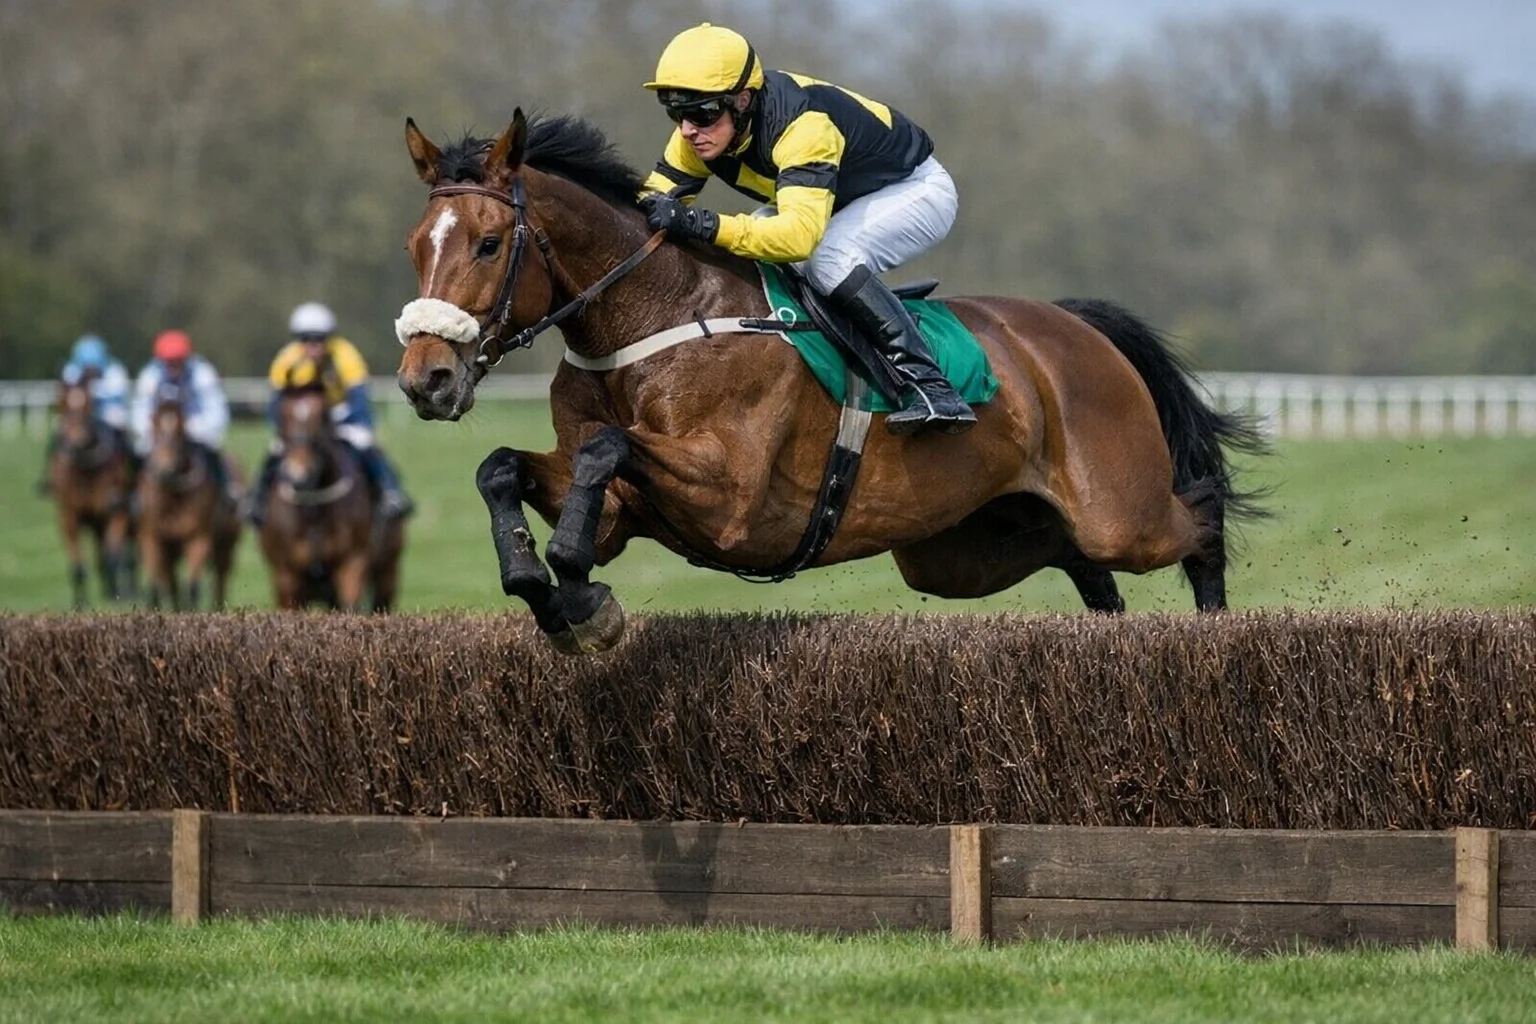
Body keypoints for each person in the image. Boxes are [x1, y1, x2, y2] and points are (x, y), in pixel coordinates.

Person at [638, 22, 976, 436]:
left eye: (702, 113)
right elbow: (649, 206)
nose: (689, 129)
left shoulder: (803, 127)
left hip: (914, 190)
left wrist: (703, 223)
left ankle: (931, 386)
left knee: (825, 255)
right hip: (841, 198)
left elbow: (799, 238)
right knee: (763, 233)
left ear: (743, 101)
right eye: (677, 113)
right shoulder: (700, 136)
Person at [246, 302, 414, 526]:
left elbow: (359, 397)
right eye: (306, 339)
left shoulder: (345, 354)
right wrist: (284, 430)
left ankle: (391, 492)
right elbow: (277, 403)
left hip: (343, 416)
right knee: (275, 450)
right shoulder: (287, 360)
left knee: (366, 444)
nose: (313, 345)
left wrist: (341, 417)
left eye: (319, 339)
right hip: (301, 424)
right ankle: (257, 501)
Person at [131, 329, 237, 501]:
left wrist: (195, 428)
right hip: (160, 432)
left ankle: (227, 492)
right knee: (138, 452)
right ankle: (132, 499)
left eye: (177, 361)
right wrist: (149, 429)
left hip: (196, 428)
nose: (173, 366)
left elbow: (217, 411)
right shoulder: (150, 375)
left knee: (214, 451)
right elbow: (140, 410)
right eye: (169, 362)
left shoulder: (203, 373)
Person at [38, 334, 134, 493]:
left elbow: (117, 395)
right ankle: (49, 475)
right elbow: (68, 393)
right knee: (58, 433)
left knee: (122, 433)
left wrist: (94, 395)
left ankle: (127, 474)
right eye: (87, 366)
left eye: (94, 367)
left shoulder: (115, 370)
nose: (91, 370)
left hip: (107, 412)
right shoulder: (71, 369)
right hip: (80, 413)